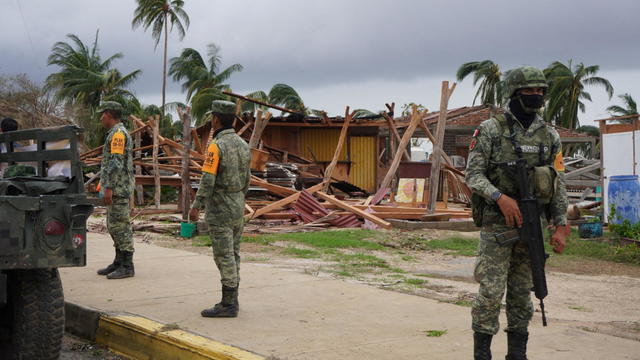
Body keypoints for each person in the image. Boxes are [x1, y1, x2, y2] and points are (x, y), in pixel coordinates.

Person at [465, 66, 570, 360]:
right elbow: (472, 175)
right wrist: (500, 198)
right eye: (529, 91)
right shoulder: (490, 130)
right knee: (490, 293)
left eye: (540, 91)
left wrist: (559, 224)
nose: (535, 96)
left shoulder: (549, 135)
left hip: (532, 225)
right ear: (514, 93)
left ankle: (517, 354)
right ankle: (482, 354)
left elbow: (557, 183)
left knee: (523, 295)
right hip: (497, 227)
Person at [189, 100, 251, 318]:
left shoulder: (215, 146)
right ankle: (233, 299)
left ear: (215, 119)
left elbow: (208, 179)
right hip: (237, 204)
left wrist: (196, 206)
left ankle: (228, 304)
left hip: (220, 208)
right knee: (234, 254)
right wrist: (239, 199)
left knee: (223, 255)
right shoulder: (244, 145)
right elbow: (247, 179)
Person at [96, 101, 135, 279]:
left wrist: (109, 187)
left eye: (103, 114)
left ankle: (127, 265)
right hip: (115, 187)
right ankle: (119, 261)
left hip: (118, 188)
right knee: (113, 226)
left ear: (109, 114)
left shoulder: (118, 134)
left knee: (121, 227)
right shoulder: (114, 133)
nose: (101, 117)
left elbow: (116, 163)